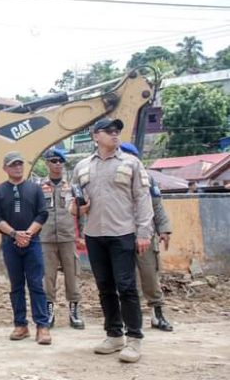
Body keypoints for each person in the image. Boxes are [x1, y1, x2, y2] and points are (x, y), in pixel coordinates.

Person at [71, 118, 154, 363]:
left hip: (123, 233)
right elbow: (71, 202)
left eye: (117, 130)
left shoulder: (132, 163)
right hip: (95, 235)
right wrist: (77, 208)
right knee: (105, 287)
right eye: (109, 131)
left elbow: (143, 199)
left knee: (126, 286)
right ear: (95, 135)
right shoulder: (82, 167)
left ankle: (134, 339)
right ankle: (114, 335)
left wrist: (143, 233)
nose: (115, 134)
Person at [0, 151, 51, 345]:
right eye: (13, 164)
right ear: (5, 168)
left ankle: (42, 326)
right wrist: (15, 234)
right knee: (16, 286)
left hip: (32, 243)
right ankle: (20, 325)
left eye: (20, 163)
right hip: (10, 243)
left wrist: (27, 234)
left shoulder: (35, 189)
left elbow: (42, 214)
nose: (17, 167)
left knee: (36, 284)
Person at [119, 142, 174, 332]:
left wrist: (164, 229)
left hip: (145, 234)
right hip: (121, 234)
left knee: (150, 275)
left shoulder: (147, 179)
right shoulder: (113, 179)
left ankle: (157, 315)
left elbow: (157, 206)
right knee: (126, 279)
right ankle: (129, 319)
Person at [40, 148, 85, 330]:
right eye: (53, 161)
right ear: (47, 164)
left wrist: (81, 234)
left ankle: (74, 311)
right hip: (46, 237)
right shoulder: (38, 186)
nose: (57, 164)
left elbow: (81, 212)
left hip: (68, 237)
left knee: (72, 274)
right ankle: (48, 310)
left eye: (60, 161)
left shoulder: (73, 187)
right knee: (47, 276)